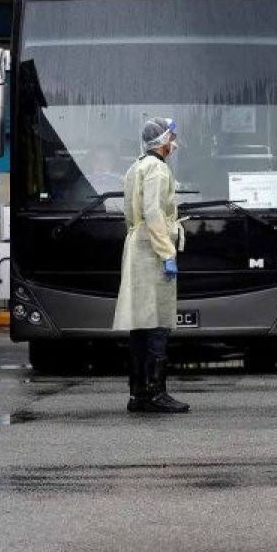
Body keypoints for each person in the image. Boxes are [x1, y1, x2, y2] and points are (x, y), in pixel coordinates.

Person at [112, 118, 189, 413]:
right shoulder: (157, 169)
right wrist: (167, 252)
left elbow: (133, 213)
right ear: (163, 140)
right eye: (172, 137)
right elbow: (154, 212)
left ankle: (138, 393)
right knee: (157, 322)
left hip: (136, 246)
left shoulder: (136, 167)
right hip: (152, 249)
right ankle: (156, 393)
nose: (174, 143)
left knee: (140, 323)